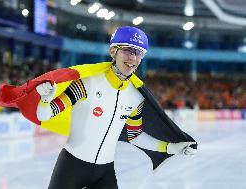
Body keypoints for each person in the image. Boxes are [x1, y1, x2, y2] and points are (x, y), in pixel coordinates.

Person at [34, 26, 197, 189]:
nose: (133, 58)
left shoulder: (136, 95)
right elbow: (44, 115)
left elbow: (135, 135)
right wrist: (46, 100)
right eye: (128, 50)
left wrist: (171, 147)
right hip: (72, 166)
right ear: (113, 51)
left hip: (105, 172)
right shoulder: (87, 83)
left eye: (138, 53)